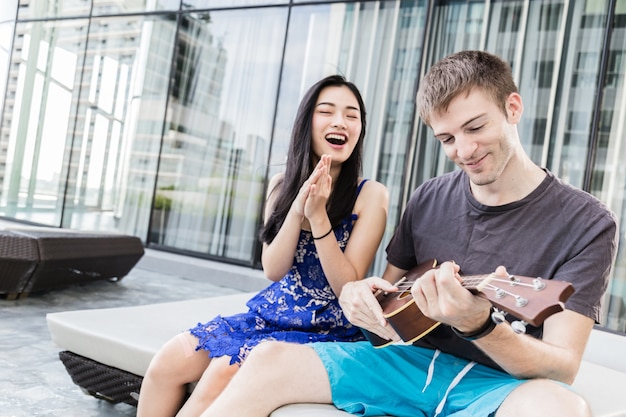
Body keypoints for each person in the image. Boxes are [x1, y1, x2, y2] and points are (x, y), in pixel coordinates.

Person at [197, 50, 618, 417]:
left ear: (512, 108)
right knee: (268, 359)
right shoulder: (429, 197)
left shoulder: (586, 222)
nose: (464, 151)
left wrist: (480, 327)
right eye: (447, 139)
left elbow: (562, 367)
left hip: (497, 382)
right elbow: (389, 297)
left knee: (562, 409)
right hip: (404, 363)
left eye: (475, 128)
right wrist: (360, 299)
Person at [136, 75, 389, 416]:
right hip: (271, 316)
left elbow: (347, 286)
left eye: (352, 115)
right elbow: (273, 268)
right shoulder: (280, 184)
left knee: (224, 369)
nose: (340, 122)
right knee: (167, 361)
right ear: (306, 123)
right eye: (326, 111)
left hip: (329, 327)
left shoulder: (370, 194)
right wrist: (298, 206)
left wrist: (318, 219)